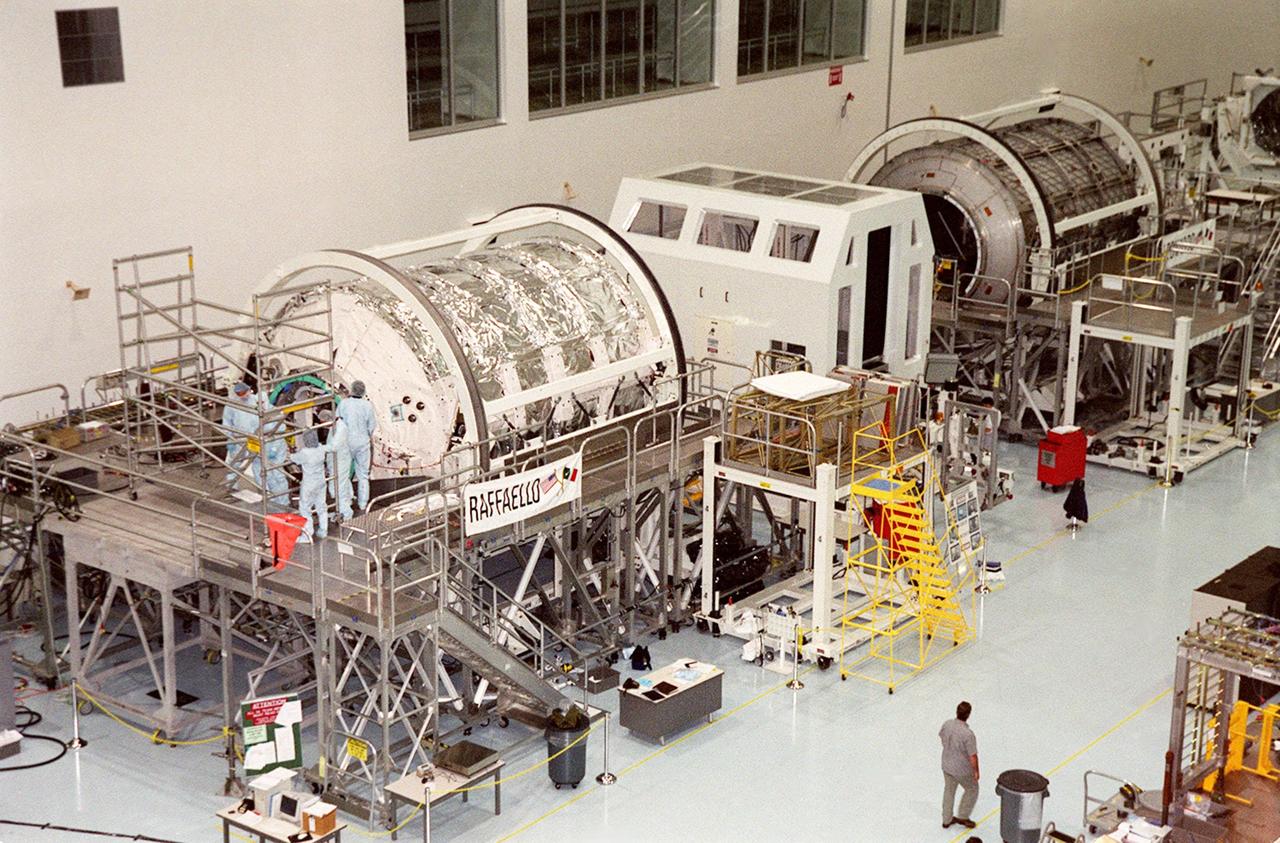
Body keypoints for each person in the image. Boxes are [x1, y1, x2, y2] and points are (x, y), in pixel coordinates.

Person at [336, 380, 376, 513]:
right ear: (363, 392)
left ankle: (348, 500)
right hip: (363, 443)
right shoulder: (368, 406)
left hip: (346, 442)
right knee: (363, 475)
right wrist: (365, 435)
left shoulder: (344, 403)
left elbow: (338, 421)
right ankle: (363, 505)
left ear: (351, 390)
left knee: (344, 474)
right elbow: (372, 426)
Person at [941, 700, 980, 830]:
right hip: (962, 769)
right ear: (968, 715)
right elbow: (973, 756)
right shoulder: (968, 734)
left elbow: (941, 736)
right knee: (972, 789)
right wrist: (976, 771)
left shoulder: (947, 724)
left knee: (949, 791)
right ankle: (963, 816)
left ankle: (946, 819)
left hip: (947, 765)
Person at [290, 429, 329, 543]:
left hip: (309, 484)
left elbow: (292, 458)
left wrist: (290, 452)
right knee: (321, 506)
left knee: (305, 509)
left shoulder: (305, 453)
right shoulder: (321, 449)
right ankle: (323, 530)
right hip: (321, 482)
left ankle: (307, 535)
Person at [319, 408, 353, 521]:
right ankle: (347, 505)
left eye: (323, 423)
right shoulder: (335, 427)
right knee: (343, 484)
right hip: (337, 461)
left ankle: (346, 514)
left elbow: (333, 446)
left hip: (340, 461)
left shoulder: (341, 428)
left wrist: (319, 448)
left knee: (337, 488)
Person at [222, 382, 256, 483]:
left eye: (245, 392)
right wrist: (230, 438)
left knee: (258, 460)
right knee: (235, 461)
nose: (245, 395)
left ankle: (262, 485)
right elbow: (227, 422)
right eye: (241, 394)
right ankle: (231, 484)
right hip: (239, 436)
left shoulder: (255, 400)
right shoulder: (232, 404)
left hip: (255, 435)